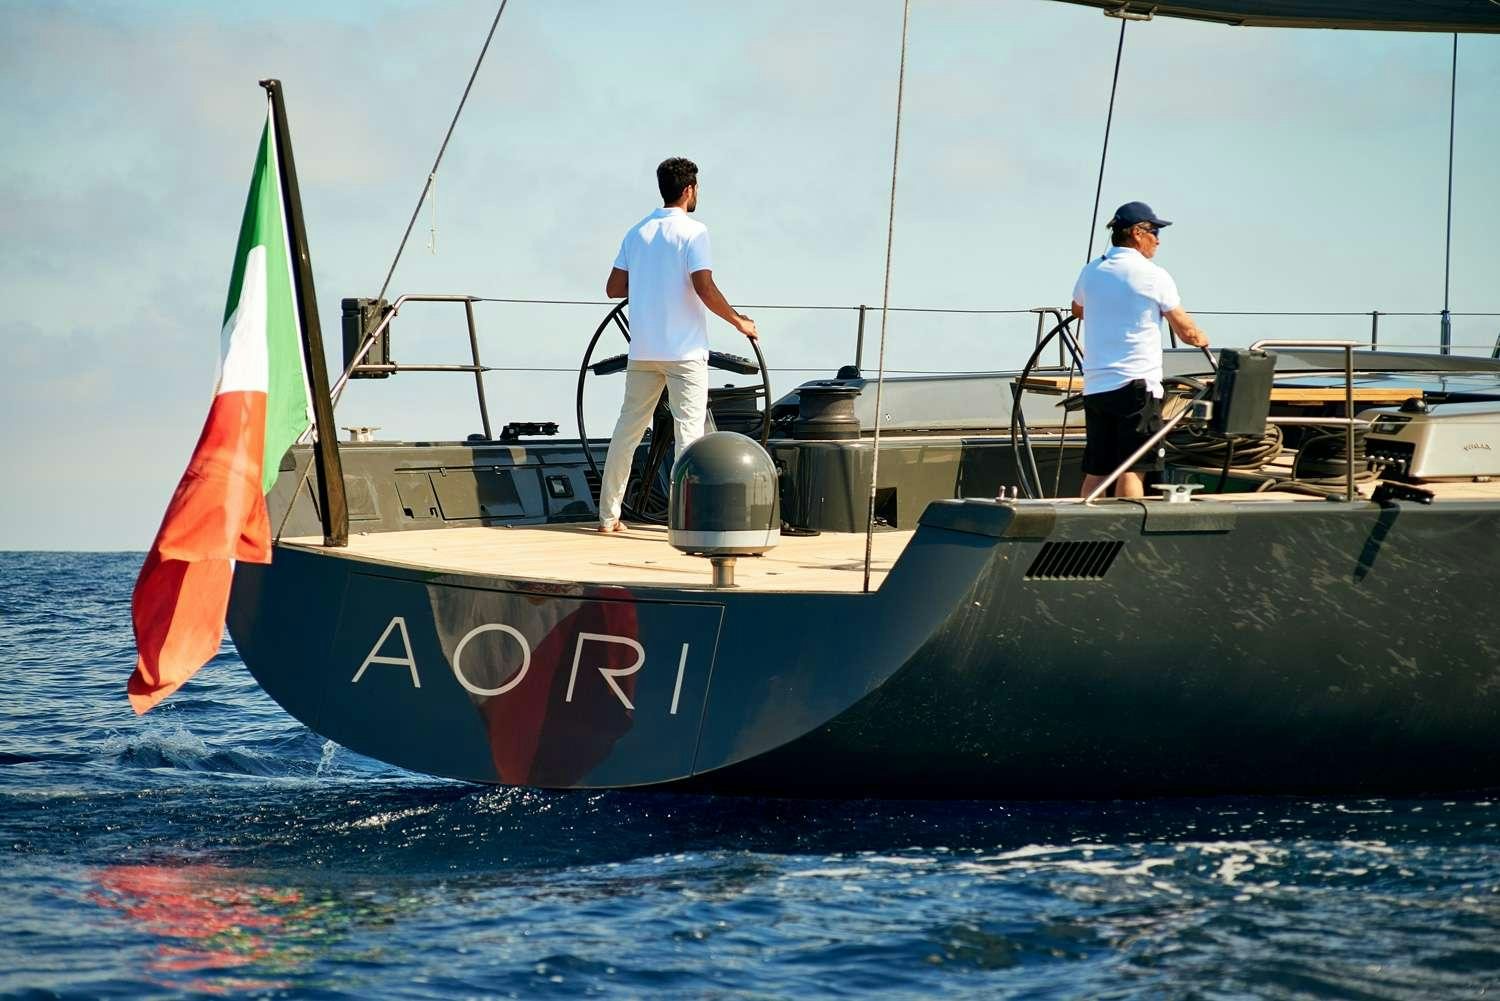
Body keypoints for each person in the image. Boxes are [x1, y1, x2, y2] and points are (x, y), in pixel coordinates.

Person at [597, 157, 759, 533]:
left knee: (627, 432)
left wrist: (650, 279)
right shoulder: (694, 232)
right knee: (689, 435)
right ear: (688, 190)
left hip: (643, 352)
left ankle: (608, 517)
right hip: (684, 354)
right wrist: (739, 321)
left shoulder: (636, 232)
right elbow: (704, 287)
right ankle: (687, 519)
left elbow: (613, 288)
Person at [1070, 201, 1208, 499]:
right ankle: (1127, 528)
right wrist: (1201, 338)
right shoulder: (1153, 275)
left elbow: (1077, 309)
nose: (1158, 240)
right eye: (1154, 231)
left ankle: (1082, 524)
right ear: (1136, 233)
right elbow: (1186, 332)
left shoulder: (1091, 271)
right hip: (1136, 388)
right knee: (1133, 468)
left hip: (1096, 388)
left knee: (1098, 470)